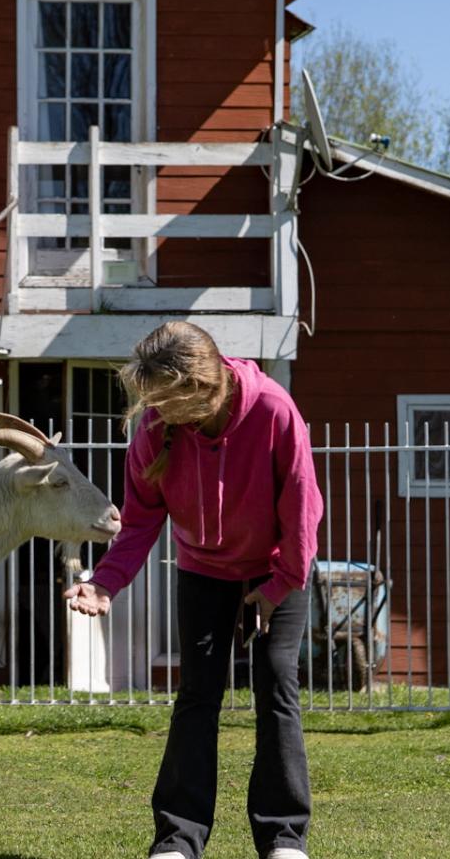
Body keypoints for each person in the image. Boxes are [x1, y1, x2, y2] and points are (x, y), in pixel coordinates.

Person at [63, 320, 324, 859]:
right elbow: (138, 523)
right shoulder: (155, 431)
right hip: (204, 572)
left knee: (276, 688)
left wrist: (280, 585)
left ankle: (283, 837)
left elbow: (302, 509)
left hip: (276, 571)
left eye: (168, 402)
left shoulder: (274, 411)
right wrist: (105, 583)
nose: (158, 413)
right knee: (197, 697)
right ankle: (178, 840)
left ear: (204, 387)